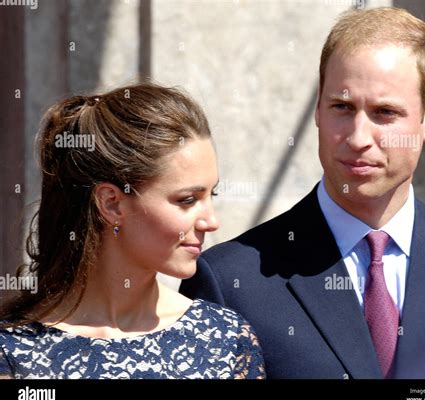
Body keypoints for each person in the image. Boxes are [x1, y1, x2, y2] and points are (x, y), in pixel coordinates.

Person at [181, 7, 425, 379]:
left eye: (384, 112)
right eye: (342, 107)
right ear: (318, 108)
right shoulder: (229, 283)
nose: (358, 138)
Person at [0, 83, 265, 379]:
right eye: (187, 200)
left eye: (210, 196)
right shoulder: (13, 351)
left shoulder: (224, 342)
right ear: (112, 204)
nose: (211, 221)